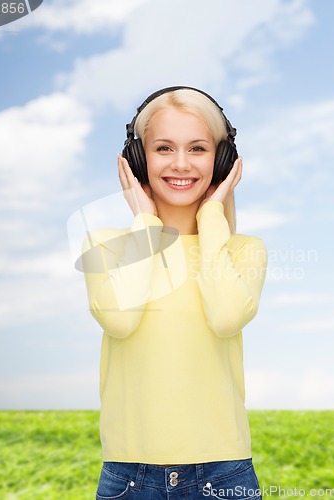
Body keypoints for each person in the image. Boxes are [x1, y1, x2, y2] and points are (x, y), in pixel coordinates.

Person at [82, 87, 267, 499]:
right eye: (164, 148)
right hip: (130, 478)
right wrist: (146, 223)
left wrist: (212, 216)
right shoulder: (106, 244)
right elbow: (118, 319)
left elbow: (224, 319)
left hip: (223, 474)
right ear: (136, 160)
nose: (180, 164)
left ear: (221, 161)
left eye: (198, 148)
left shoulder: (242, 250)